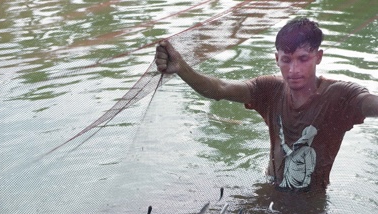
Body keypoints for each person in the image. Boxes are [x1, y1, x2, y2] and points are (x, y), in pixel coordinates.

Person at [155, 18, 378, 192]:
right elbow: (218, 89)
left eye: (303, 59)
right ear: (276, 59)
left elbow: (370, 104)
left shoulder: (339, 95)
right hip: (270, 189)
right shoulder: (269, 89)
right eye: (286, 60)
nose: (293, 70)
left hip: (312, 201)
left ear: (318, 57)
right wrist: (182, 68)